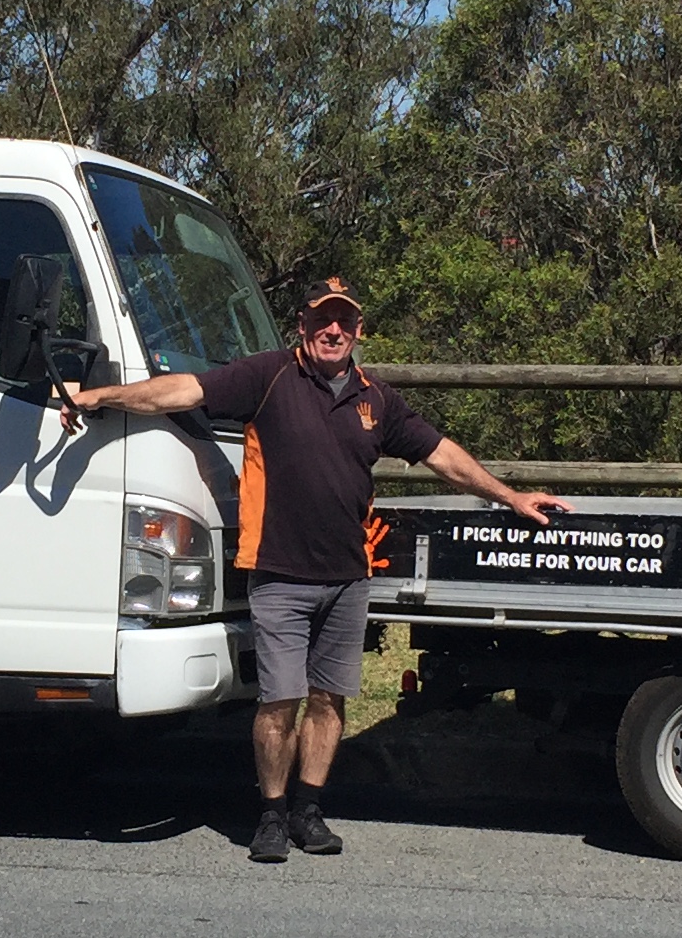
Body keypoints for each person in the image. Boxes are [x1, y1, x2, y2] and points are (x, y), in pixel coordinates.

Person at [66, 275, 571, 862]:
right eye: (321, 320)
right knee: (279, 702)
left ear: (359, 332)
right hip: (279, 574)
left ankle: (309, 810)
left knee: (329, 700)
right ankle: (272, 816)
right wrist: (98, 398)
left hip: (348, 579)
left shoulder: (376, 399)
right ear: (302, 326)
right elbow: (181, 391)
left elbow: (442, 455)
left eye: (345, 322)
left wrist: (510, 498)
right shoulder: (269, 376)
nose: (334, 330)